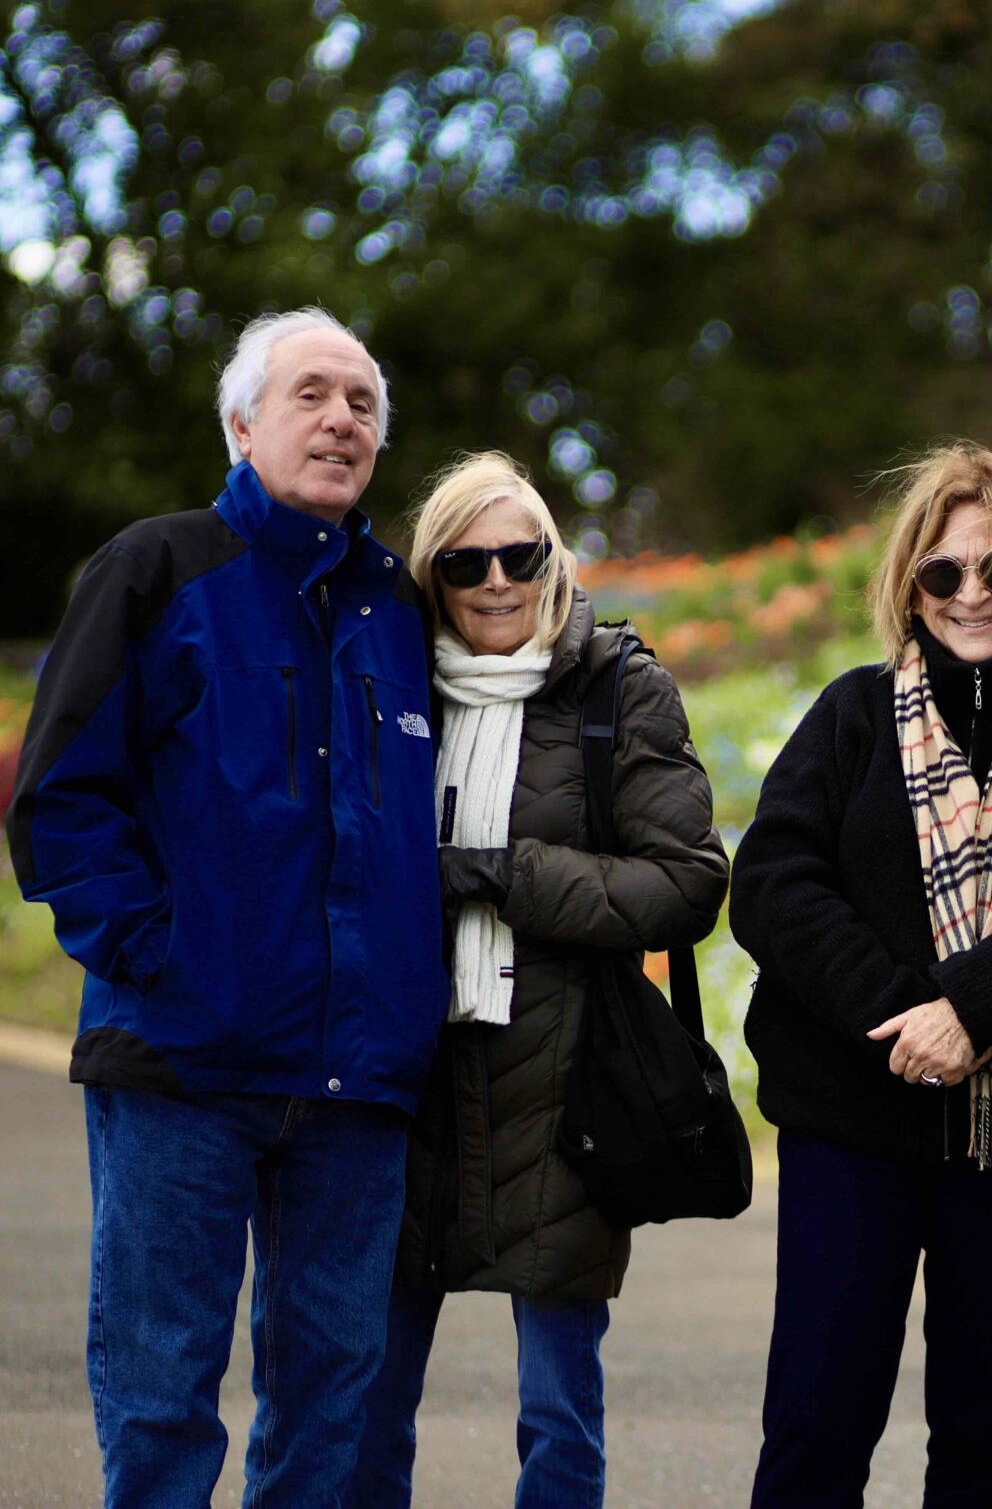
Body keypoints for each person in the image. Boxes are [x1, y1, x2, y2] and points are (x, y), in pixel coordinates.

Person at [7, 308, 443, 1509]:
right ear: (242, 422)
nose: (342, 420)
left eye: (362, 404)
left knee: (329, 1403)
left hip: (357, 1088)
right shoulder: (156, 569)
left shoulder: (399, 611)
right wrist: (161, 958)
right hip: (184, 1064)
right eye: (312, 394)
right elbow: (59, 800)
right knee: (161, 1393)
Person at [732, 442, 992, 1509]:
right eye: (944, 572)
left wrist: (972, 1006)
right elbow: (772, 885)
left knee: (988, 1438)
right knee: (817, 1423)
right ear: (909, 583)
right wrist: (905, 1014)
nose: (973, 594)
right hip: (852, 1120)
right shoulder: (854, 713)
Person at [354, 450, 729, 1509]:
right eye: (464, 561)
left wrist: (499, 875)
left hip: (568, 1080)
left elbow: (688, 886)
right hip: (404, 1075)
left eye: (519, 553)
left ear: (554, 559)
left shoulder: (619, 685)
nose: (494, 580)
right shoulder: (386, 689)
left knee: (558, 1409)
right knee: (365, 1395)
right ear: (433, 576)